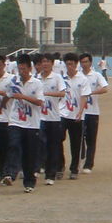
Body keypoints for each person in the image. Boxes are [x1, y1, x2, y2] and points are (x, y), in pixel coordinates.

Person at [2, 54, 44, 192]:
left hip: (32, 124)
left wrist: (23, 96)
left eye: (24, 69)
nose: (22, 72)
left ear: (30, 68)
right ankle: (10, 174)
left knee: (29, 154)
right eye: (19, 69)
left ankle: (29, 182)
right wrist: (0, 107)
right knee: (13, 144)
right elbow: (7, 95)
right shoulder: (13, 82)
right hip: (16, 121)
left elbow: (39, 102)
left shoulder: (37, 83)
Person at [37, 53, 67, 185]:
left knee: (53, 146)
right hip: (39, 117)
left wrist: (46, 94)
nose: (45, 64)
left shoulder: (57, 78)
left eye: (47, 61)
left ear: (52, 63)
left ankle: (51, 174)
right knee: (39, 144)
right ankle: (39, 167)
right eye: (43, 62)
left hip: (53, 117)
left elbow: (62, 93)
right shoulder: (36, 78)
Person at [60, 53, 89, 181]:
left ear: (76, 64)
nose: (69, 66)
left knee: (75, 143)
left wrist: (80, 111)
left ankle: (74, 169)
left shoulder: (82, 79)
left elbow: (84, 96)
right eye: (67, 64)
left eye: (71, 64)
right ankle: (60, 165)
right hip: (62, 113)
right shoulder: (61, 78)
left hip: (76, 115)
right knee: (58, 140)